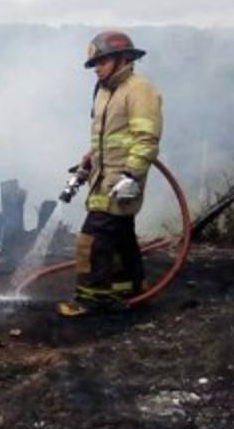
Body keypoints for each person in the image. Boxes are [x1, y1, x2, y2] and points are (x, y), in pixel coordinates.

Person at [58, 30, 164, 317]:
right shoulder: (105, 91)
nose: (97, 69)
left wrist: (131, 176)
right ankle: (130, 285)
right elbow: (109, 139)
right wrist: (88, 161)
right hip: (101, 178)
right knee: (121, 236)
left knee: (91, 240)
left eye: (102, 62)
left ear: (123, 59)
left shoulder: (139, 90)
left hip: (121, 180)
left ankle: (91, 298)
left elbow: (146, 139)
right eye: (95, 65)